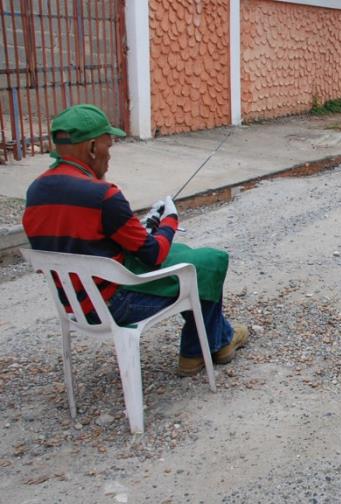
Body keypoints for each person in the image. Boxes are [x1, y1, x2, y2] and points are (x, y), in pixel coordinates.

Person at [22, 104, 248, 376]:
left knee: (187, 256)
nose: (109, 155)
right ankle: (197, 350)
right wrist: (169, 221)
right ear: (92, 147)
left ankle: (218, 340)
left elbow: (85, 241)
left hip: (74, 305)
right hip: (117, 304)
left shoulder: (35, 192)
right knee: (208, 262)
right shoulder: (103, 195)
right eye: (109, 146)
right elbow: (153, 254)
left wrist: (143, 227)